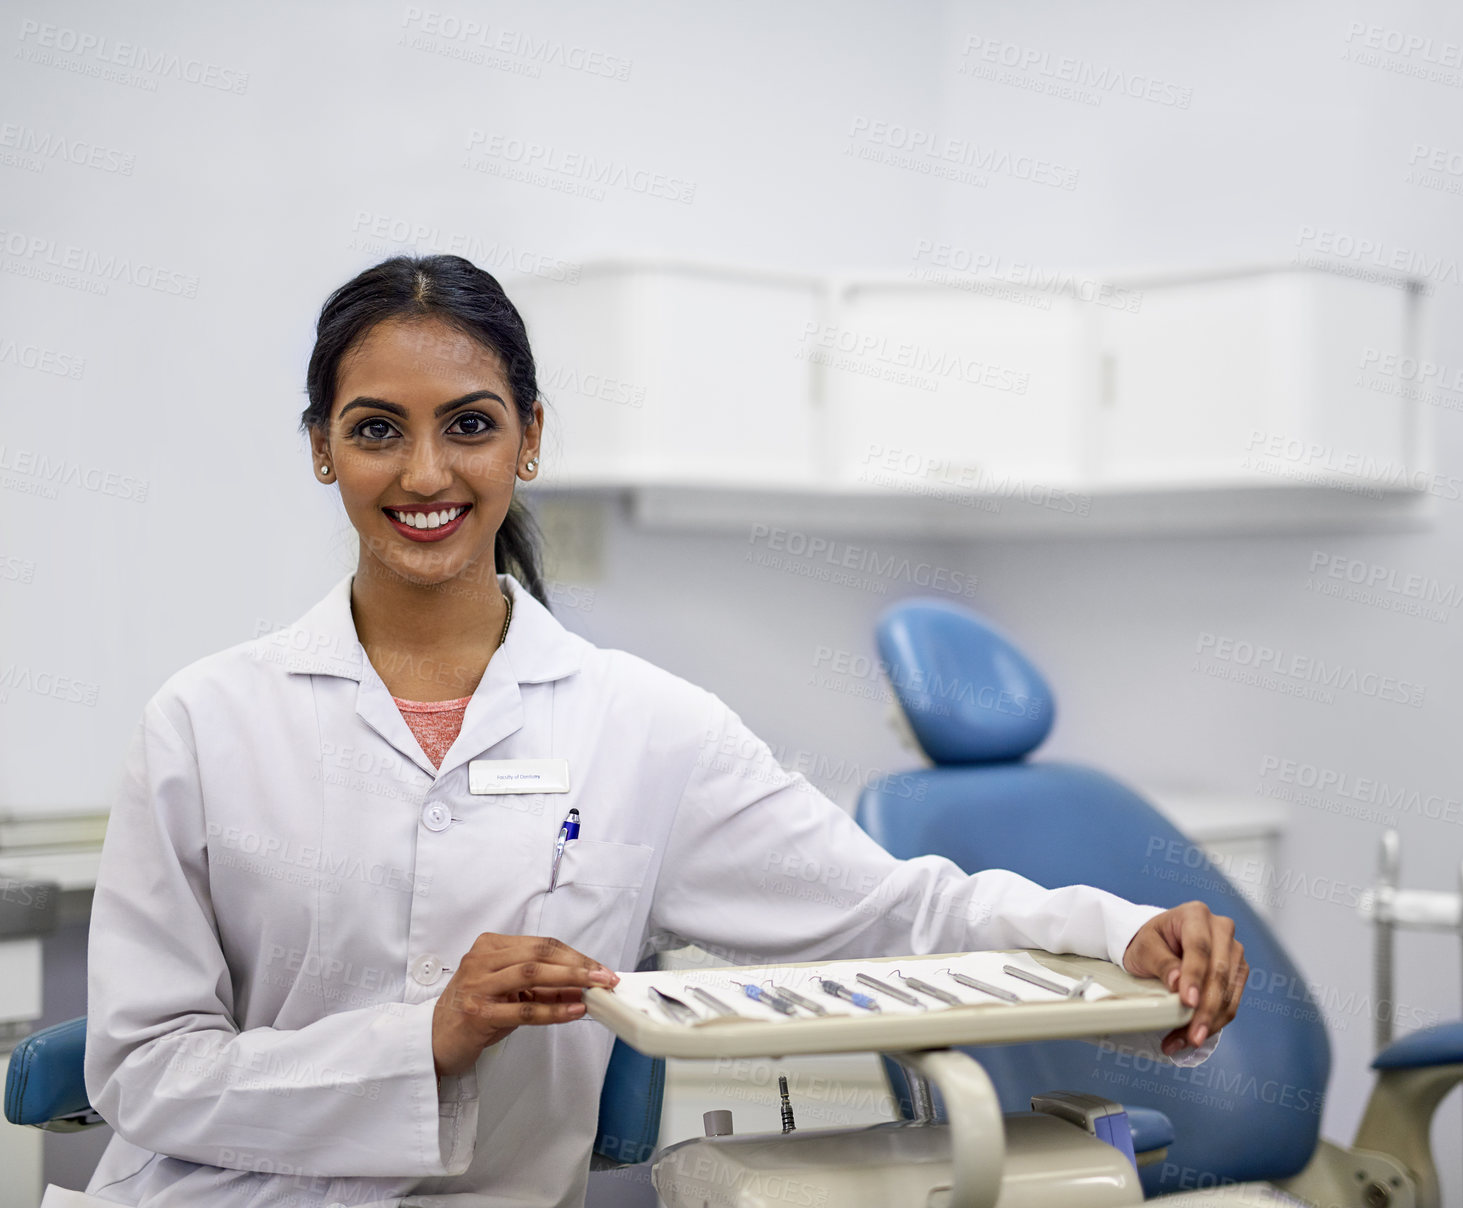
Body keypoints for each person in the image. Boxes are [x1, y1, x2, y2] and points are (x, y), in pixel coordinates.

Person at [74, 255, 1247, 1207]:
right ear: (323, 447)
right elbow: (140, 1071)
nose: (424, 470)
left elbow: (898, 912)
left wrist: (1121, 928)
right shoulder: (204, 722)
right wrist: (419, 1040)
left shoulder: (642, 725)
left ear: (528, 440)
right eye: (377, 429)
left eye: (468, 425)